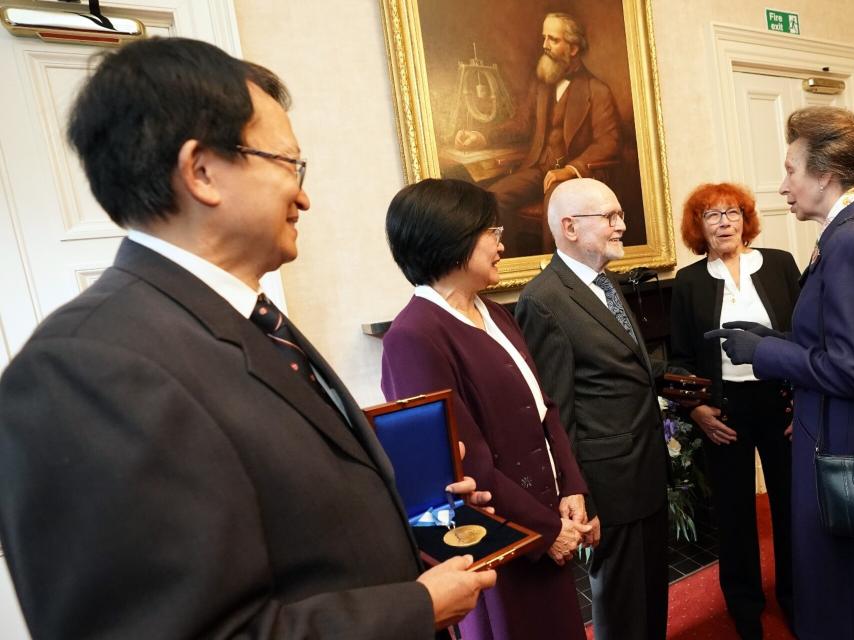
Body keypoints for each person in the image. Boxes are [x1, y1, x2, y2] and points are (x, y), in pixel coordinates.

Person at [0, 37, 497, 640]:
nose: (303, 195)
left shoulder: (247, 320)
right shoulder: (84, 369)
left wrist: (413, 508)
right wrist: (415, 608)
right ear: (202, 171)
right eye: (289, 164)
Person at [706, 106, 854, 638]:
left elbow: (852, 369)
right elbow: (844, 342)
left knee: (852, 591)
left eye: (791, 170)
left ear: (826, 175)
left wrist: (762, 355)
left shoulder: (851, 241)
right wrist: (774, 339)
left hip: (848, 444)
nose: (783, 186)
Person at [381, 178, 591, 640]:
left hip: (546, 522)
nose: (501, 244)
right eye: (491, 232)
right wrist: (546, 529)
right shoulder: (413, 336)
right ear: (451, 238)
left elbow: (544, 407)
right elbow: (464, 464)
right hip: (502, 543)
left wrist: (571, 488)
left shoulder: (495, 313)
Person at [515, 177, 669, 640]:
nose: (621, 225)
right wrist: (582, 496)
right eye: (610, 216)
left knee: (651, 597)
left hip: (644, 471)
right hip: (608, 485)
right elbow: (556, 413)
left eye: (620, 214)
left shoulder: (605, 281)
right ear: (570, 227)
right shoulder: (543, 300)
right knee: (622, 608)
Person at [670, 182, 799, 639]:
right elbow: (680, 358)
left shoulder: (780, 264)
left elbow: (805, 339)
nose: (724, 223)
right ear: (699, 227)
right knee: (734, 512)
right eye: (712, 215)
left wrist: (802, 403)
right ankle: (744, 605)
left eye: (732, 213)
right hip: (723, 411)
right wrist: (697, 411)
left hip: (780, 401)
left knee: (791, 506)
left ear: (746, 220)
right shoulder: (689, 281)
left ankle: (796, 597)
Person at [456, 12, 621, 256]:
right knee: (494, 198)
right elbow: (520, 124)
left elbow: (608, 142)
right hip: (537, 169)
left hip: (572, 180)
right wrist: (482, 137)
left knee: (555, 207)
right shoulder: (542, 85)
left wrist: (570, 169)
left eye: (553, 39)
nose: (545, 45)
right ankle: (510, 263)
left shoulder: (597, 91)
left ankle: (553, 270)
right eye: (545, 38)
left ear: (573, 48)